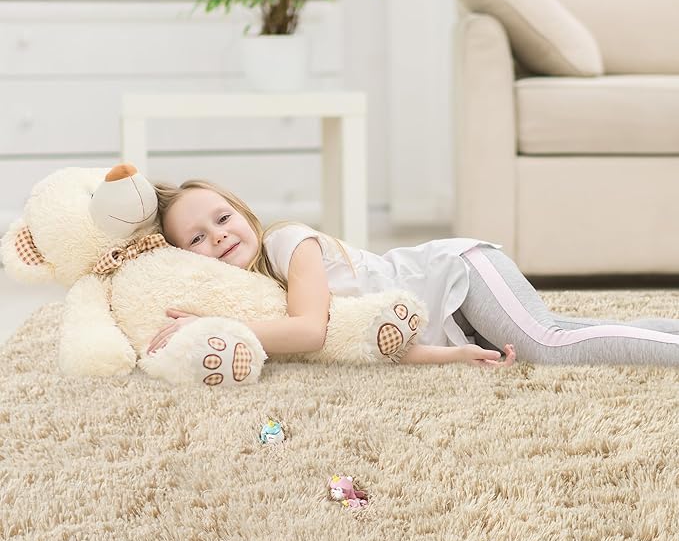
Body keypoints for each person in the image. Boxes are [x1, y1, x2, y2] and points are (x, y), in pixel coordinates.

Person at [147, 180, 679, 368]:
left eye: (223, 218)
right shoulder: (262, 294)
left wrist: (210, 328)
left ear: (244, 212)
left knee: (550, 345)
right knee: (569, 330)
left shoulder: (288, 243)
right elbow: (361, 340)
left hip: (458, 273)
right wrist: (454, 355)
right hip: (453, 320)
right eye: (196, 238)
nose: (218, 235)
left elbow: (311, 331)